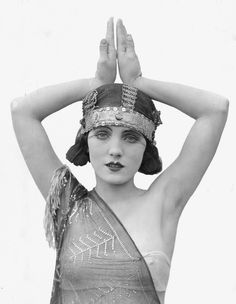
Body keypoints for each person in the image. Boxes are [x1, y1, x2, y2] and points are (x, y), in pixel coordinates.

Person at [11, 18, 229, 304]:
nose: (115, 150)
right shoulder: (68, 204)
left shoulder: (163, 202)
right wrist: (94, 85)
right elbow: (22, 111)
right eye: (102, 134)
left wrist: (139, 83)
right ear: (85, 141)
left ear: (146, 148)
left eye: (130, 137)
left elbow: (215, 109)